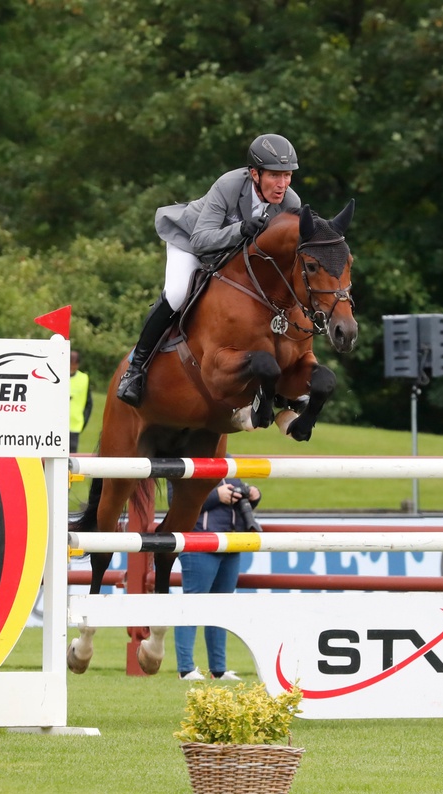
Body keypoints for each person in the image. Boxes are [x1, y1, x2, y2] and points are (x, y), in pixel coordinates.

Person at [115, 133, 303, 407]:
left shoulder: (290, 203)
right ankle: (135, 369)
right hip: (189, 242)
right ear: (255, 173)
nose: (282, 184)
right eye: (275, 175)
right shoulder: (229, 185)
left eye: (287, 175)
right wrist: (241, 229)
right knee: (177, 293)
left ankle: (282, 383)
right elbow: (201, 241)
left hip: (230, 256)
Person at [175, 475, 262, 681]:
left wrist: (253, 496)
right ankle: (185, 669)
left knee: (221, 608)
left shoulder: (229, 465)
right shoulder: (188, 463)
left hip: (231, 544)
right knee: (191, 605)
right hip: (199, 543)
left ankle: (219, 670)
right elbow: (177, 502)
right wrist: (216, 496)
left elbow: (234, 504)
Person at [68, 350, 92, 453]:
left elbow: (89, 403)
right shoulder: (56, 377)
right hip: (56, 426)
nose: (72, 367)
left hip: (75, 426)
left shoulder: (84, 378)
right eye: (70, 363)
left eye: (75, 364)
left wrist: (83, 422)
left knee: (71, 457)